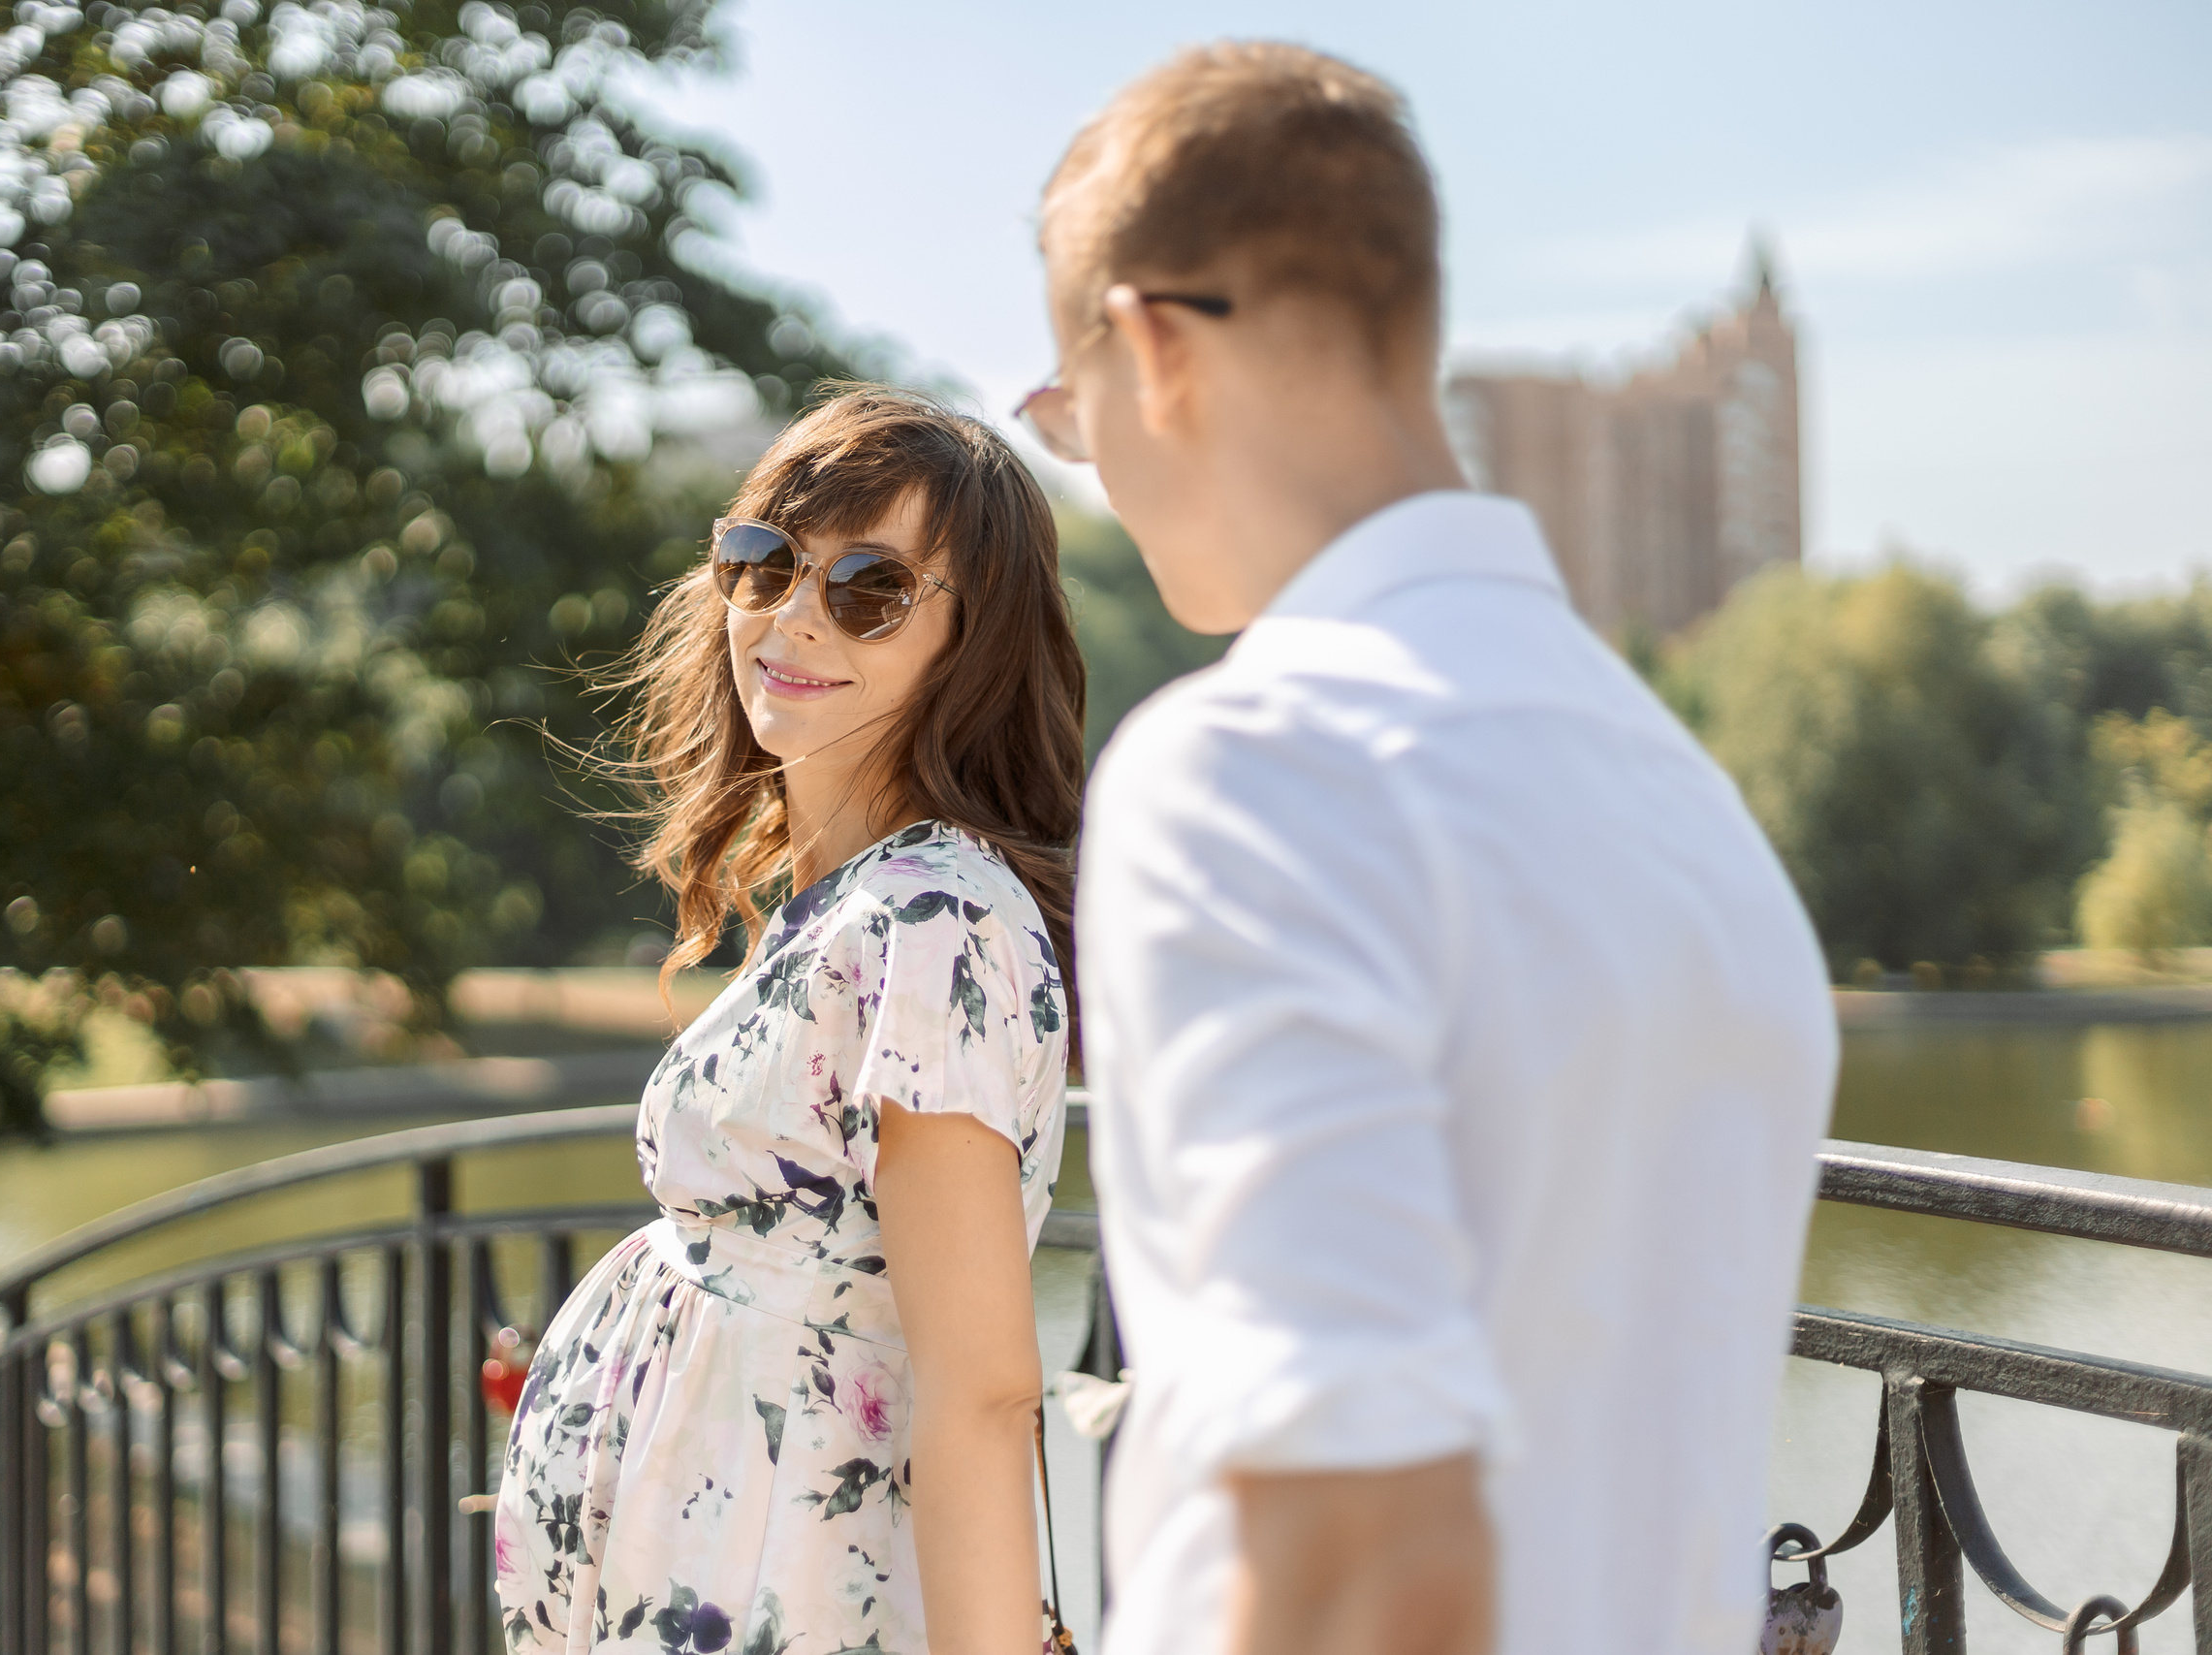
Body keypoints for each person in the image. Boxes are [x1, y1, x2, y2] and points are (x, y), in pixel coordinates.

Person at [1026, 43, 1839, 1655]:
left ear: (1154, 347)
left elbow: (1362, 1557)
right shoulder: (1686, 801)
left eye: (1069, 405)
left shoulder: (1252, 770)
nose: (1087, 457)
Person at [493, 388, 1086, 1655]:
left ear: (975, 638)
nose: (796, 615)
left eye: (872, 589)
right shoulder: (847, 904)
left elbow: (983, 1391)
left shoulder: (933, 920)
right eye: (764, 563)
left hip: (805, 1597)